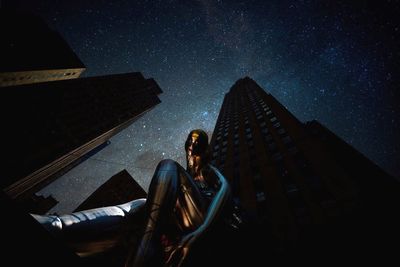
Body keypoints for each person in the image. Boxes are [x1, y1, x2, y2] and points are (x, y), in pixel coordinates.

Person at [32, 129, 237, 267]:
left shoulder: (208, 172)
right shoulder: (183, 179)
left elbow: (224, 193)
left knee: (168, 165)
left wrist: (196, 236)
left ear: (203, 146)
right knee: (139, 204)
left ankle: (145, 244)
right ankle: (57, 225)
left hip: (204, 222)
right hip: (175, 225)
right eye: (189, 141)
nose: (192, 144)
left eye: (196, 141)